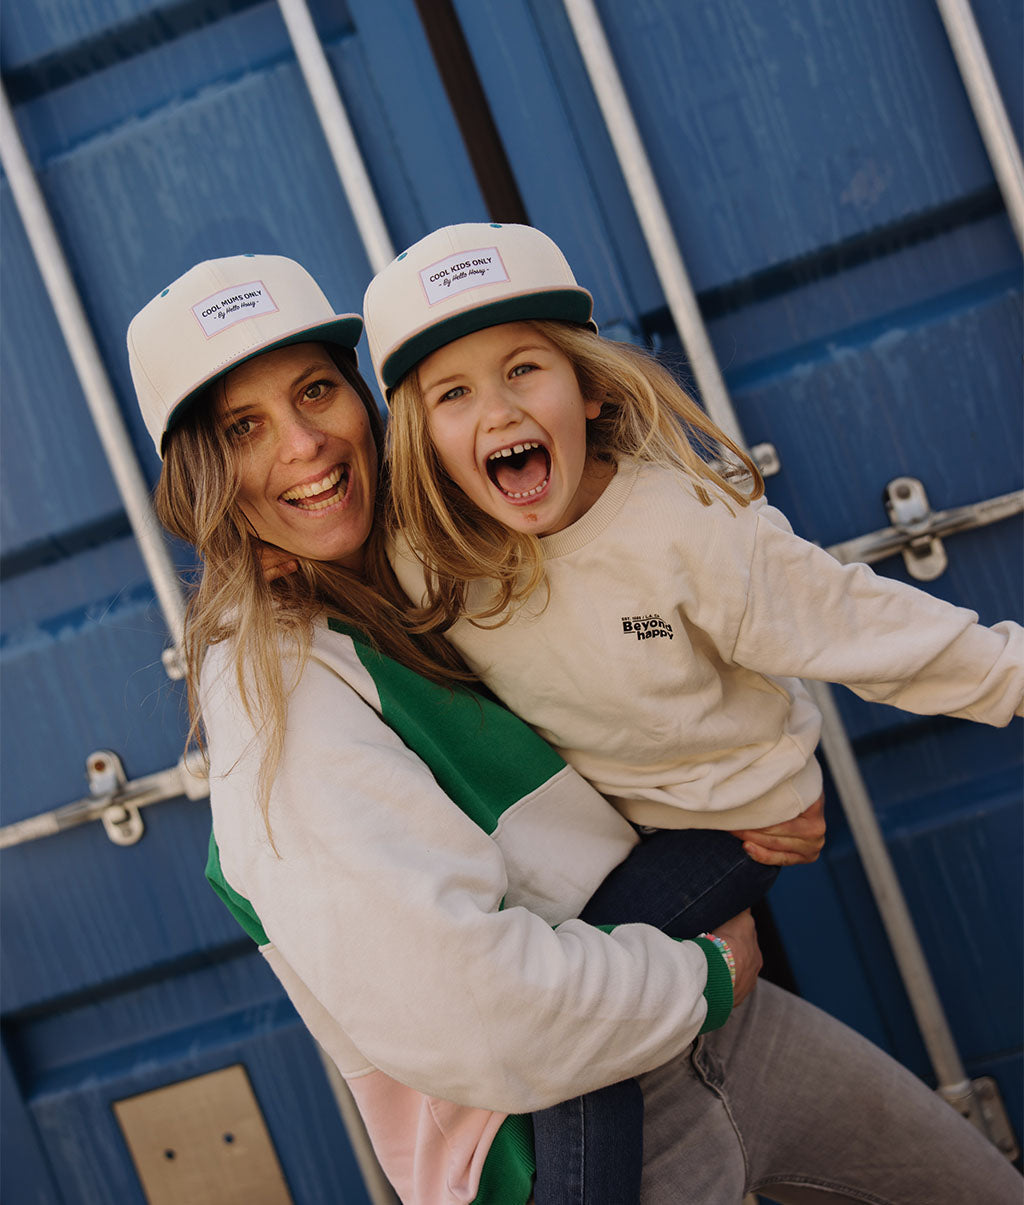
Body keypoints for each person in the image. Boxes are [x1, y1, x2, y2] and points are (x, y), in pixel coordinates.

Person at [127, 252, 1022, 1205]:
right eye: (245, 427)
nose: (304, 444)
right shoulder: (279, 698)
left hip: (719, 1031)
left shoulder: (433, 552)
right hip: (570, 1116)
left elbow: (686, 629)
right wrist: (706, 975)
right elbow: (471, 1011)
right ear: (202, 475)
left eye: (316, 391)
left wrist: (750, 767)